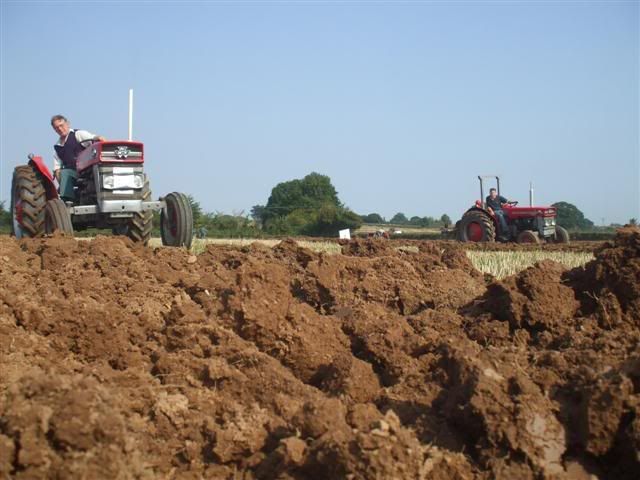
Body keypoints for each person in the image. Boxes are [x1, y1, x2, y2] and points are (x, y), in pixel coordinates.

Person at [51, 115, 105, 201]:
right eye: (56, 128)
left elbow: (95, 138)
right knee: (64, 173)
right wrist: (62, 186)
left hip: (88, 171)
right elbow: (57, 169)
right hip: (73, 173)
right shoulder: (57, 148)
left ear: (68, 124)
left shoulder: (78, 134)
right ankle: (68, 200)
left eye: (61, 125)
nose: (60, 129)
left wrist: (98, 138)